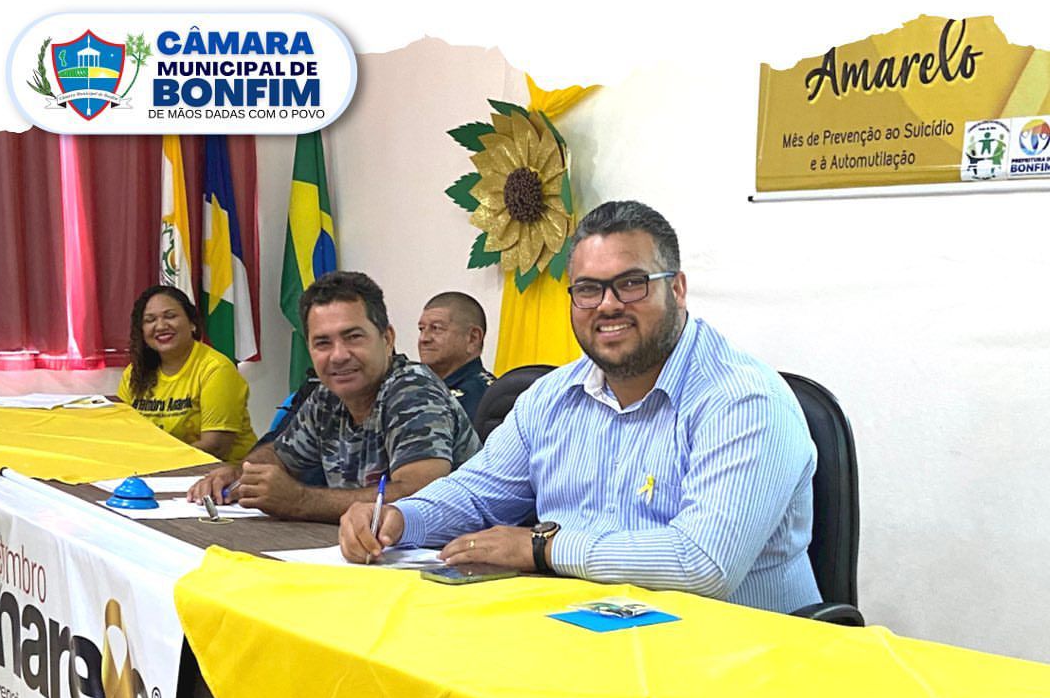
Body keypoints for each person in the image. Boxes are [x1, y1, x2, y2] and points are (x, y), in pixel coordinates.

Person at [339, 201, 821, 614]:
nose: (607, 305)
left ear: (676, 289)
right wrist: (399, 518)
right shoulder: (551, 397)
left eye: (631, 283)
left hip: (740, 659)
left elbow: (703, 564)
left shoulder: (743, 400)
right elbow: (476, 495)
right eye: (588, 289)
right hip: (584, 635)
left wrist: (542, 548)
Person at [187, 270, 480, 520]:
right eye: (323, 343)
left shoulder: (413, 390)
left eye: (353, 337)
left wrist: (300, 501)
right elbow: (279, 455)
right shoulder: (328, 396)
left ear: (387, 339)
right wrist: (241, 473)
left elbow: (420, 496)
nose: (338, 356)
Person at [119, 285, 256, 463]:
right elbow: (122, 432)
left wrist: (157, 461)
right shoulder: (135, 372)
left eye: (170, 316)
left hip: (220, 472)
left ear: (192, 324)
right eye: (150, 320)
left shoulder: (216, 369)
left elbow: (216, 446)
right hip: (153, 468)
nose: (160, 326)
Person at [417, 291, 495, 421]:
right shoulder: (418, 388)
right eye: (421, 329)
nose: (424, 339)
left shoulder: (485, 398)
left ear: (473, 338)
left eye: (436, 328)